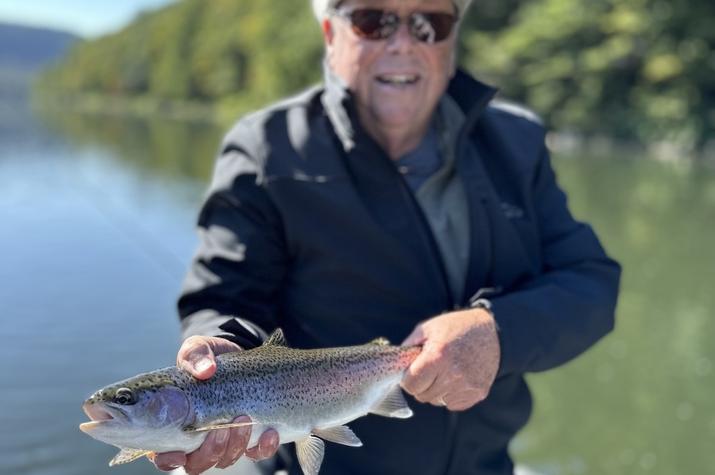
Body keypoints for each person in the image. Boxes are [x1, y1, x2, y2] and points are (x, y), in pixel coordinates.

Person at [153, 0, 621, 473]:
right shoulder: (265, 149)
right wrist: (218, 351)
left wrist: (500, 331)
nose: (402, 43)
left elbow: (591, 284)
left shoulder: (517, 144)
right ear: (331, 34)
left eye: (429, 23)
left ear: (452, 38)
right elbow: (226, 299)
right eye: (373, 21)